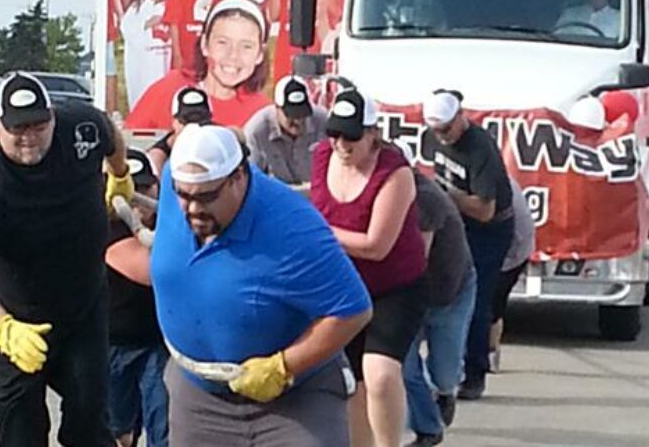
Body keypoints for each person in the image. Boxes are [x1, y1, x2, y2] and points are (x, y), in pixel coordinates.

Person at [152, 124, 372, 445]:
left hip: (294, 400)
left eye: (207, 196)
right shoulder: (178, 181)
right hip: (199, 396)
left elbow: (353, 310)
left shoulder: (294, 228)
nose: (194, 208)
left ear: (239, 177)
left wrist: (283, 367)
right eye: (183, 195)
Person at [0, 72, 133, 446]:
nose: (29, 137)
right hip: (15, 319)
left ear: (53, 116)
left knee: (89, 422)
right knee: (20, 430)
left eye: (39, 125)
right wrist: (3, 328)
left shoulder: (79, 126)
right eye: (18, 128)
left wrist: (120, 175)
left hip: (82, 309)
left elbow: (108, 132)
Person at [311, 83, 427, 447]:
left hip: (395, 288)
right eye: (335, 136)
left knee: (379, 374)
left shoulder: (396, 174)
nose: (341, 146)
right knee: (350, 382)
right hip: (344, 286)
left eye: (352, 138)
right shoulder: (321, 158)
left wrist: (320, 231)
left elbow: (377, 245)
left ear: (373, 135)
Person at [422, 89, 514, 401]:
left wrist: (445, 197)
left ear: (461, 117)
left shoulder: (479, 147)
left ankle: (475, 373)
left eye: (446, 129)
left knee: (476, 297)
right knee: (440, 288)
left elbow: (485, 209)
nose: (441, 136)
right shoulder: (433, 136)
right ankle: (444, 366)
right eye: (436, 130)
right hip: (455, 221)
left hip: (490, 229)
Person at [390, 140, 476, 447]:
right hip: (407, 294)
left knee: (445, 369)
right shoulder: (379, 191)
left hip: (449, 291)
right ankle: (428, 429)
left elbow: (417, 261)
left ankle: (445, 392)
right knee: (405, 365)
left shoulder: (425, 200)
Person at [126, 0, 271, 129]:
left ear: (259, 54)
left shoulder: (263, 115)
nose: (233, 55)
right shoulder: (170, 89)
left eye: (246, 46)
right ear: (204, 45)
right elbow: (128, 146)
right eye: (222, 43)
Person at [106, 148, 169, 447]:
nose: (137, 197)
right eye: (132, 187)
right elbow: (150, 271)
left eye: (144, 187)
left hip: (158, 344)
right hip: (112, 344)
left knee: (164, 425)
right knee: (120, 431)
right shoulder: (103, 225)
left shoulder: (169, 220)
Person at [488, 177, 536, 374]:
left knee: (490, 306)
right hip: (518, 249)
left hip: (512, 253)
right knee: (493, 306)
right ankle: (490, 355)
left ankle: (490, 354)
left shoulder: (494, 187)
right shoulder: (504, 181)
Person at [243, 75, 327, 185]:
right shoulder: (256, 132)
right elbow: (250, 183)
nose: (298, 121)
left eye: (302, 114)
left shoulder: (323, 120)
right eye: (292, 115)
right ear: (277, 108)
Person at [121, 0, 172, 109]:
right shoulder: (137, 7)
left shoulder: (171, 2)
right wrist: (146, 24)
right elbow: (127, 31)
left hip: (165, 67)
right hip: (144, 71)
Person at [147, 86, 212, 174]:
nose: (194, 127)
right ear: (174, 122)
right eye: (187, 122)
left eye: (201, 121)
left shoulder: (219, 141)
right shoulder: (159, 158)